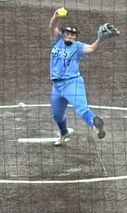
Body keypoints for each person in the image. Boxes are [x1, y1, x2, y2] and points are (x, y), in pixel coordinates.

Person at [48, 9, 112, 145]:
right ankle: (64, 133)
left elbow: (91, 49)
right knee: (57, 115)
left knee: (81, 107)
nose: (70, 36)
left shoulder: (77, 47)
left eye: (72, 34)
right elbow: (52, 26)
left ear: (75, 36)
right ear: (63, 33)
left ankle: (95, 125)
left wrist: (100, 39)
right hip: (57, 86)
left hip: (72, 83)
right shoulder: (57, 40)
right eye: (67, 33)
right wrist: (56, 15)